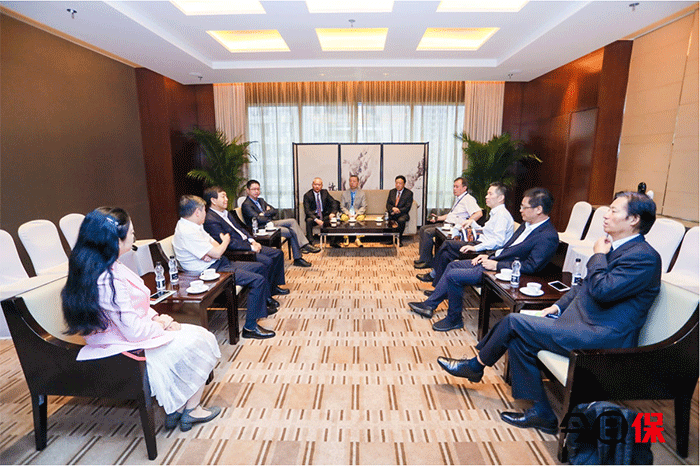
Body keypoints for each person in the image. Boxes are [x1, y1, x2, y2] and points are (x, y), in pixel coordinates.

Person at [436, 192, 661, 435]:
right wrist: (556, 307)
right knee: (519, 339)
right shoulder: (618, 249)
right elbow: (583, 287)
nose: (606, 215)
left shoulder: (643, 257)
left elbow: (602, 290)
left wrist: (597, 255)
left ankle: (475, 365)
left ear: (634, 219)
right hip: (584, 325)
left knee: (513, 322)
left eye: (614, 210)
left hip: (604, 338)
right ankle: (542, 413)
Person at [62, 207, 221, 432]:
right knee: (200, 340)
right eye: (131, 232)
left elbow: (138, 306)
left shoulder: (107, 265)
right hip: (120, 347)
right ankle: (190, 410)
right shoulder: (106, 279)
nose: (134, 235)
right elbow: (134, 331)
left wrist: (161, 318)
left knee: (197, 335)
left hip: (128, 335)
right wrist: (162, 324)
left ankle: (180, 409)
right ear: (116, 241)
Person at [408, 187, 559, 332]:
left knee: (454, 275)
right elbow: (508, 248)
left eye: (524, 207)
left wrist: (497, 265)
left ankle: (454, 319)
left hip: (506, 273)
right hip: (495, 261)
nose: (520, 210)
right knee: (452, 266)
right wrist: (489, 256)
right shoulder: (527, 225)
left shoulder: (547, 236)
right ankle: (429, 305)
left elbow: (531, 266)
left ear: (538, 209)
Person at [173, 195, 276, 339]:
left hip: (218, 263)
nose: (205, 214)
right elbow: (217, 250)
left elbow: (214, 245)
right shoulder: (187, 231)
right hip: (210, 272)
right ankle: (250, 328)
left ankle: (261, 306)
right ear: (197, 212)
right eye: (204, 210)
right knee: (257, 280)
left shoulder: (194, 226)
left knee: (260, 267)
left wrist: (214, 251)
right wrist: (224, 242)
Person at [417, 182, 514, 285]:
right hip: (481, 243)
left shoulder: (502, 215)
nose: (486, 197)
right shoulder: (496, 213)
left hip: (487, 250)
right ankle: (437, 285)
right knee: (445, 254)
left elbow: (498, 241)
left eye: (490, 194)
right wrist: (471, 222)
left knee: (447, 243)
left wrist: (475, 248)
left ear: (500, 198)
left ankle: (432, 273)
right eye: (487, 193)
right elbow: (486, 231)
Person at [202, 186, 289, 297]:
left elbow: (241, 229)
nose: (226, 199)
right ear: (213, 200)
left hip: (247, 243)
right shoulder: (210, 220)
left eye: (226, 196)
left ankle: (273, 287)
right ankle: (267, 295)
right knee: (267, 261)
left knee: (278, 253)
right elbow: (229, 243)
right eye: (223, 197)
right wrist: (251, 247)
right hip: (238, 251)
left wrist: (252, 240)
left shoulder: (226, 213)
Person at [241, 179, 318, 267]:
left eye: (258, 189)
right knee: (291, 231)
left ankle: (305, 245)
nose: (256, 191)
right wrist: (267, 214)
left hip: (270, 223)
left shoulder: (261, 200)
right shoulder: (246, 204)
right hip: (261, 228)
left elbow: (274, 210)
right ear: (248, 191)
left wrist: (264, 213)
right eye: (254, 189)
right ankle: (298, 257)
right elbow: (258, 219)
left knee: (292, 221)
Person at [414, 177, 482, 268]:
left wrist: (467, 222)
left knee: (428, 232)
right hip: (447, 223)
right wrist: (438, 218)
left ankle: (428, 261)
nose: (454, 189)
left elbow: (479, 213)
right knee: (423, 228)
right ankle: (423, 258)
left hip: (453, 227)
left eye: (457, 187)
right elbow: (451, 215)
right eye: (454, 186)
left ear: (464, 188)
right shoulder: (459, 199)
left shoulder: (468, 199)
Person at [303, 177, 341, 245]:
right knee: (309, 221)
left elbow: (334, 202)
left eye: (319, 185)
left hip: (324, 215)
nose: (317, 186)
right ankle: (310, 242)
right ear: (312, 185)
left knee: (334, 219)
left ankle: (333, 242)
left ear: (322, 186)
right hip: (314, 217)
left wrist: (333, 213)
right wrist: (316, 219)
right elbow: (307, 211)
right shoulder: (307, 195)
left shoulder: (325, 192)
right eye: (315, 184)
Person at [340, 174, 367, 247]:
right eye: (350, 181)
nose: (352, 183)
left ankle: (358, 238)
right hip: (347, 213)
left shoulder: (362, 193)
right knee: (343, 218)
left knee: (360, 218)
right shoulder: (344, 193)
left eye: (354, 181)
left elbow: (364, 206)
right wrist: (348, 213)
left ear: (358, 183)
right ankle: (346, 238)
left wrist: (357, 214)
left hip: (358, 213)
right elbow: (342, 206)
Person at [386, 175, 413, 246]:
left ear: (404, 184)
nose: (398, 185)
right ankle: (391, 239)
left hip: (403, 214)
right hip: (392, 213)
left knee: (401, 220)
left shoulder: (409, 193)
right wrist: (392, 209)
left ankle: (399, 239)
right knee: (388, 219)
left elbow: (407, 207)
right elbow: (388, 204)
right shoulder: (392, 192)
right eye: (396, 183)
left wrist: (398, 210)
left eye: (400, 183)